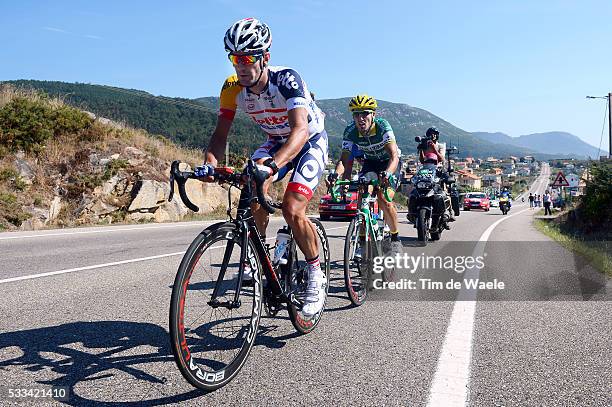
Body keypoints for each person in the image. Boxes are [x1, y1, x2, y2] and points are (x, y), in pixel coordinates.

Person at [198, 17, 328, 316]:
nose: (240, 66)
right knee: (250, 186)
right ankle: (258, 257)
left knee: (293, 209)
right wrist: (210, 163)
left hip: (308, 141)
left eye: (246, 58)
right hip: (275, 140)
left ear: (264, 57)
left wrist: (272, 167)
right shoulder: (232, 88)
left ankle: (315, 275)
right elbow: (220, 135)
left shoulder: (287, 80)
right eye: (234, 58)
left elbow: (299, 131)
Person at [336, 94, 403, 254]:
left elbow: (394, 156)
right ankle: (362, 243)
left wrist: (387, 173)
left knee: (384, 199)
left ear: (374, 114)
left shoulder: (382, 126)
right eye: (356, 114)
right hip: (371, 164)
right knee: (363, 197)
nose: (360, 118)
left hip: (389, 163)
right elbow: (345, 161)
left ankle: (395, 239)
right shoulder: (350, 131)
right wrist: (336, 176)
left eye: (365, 113)